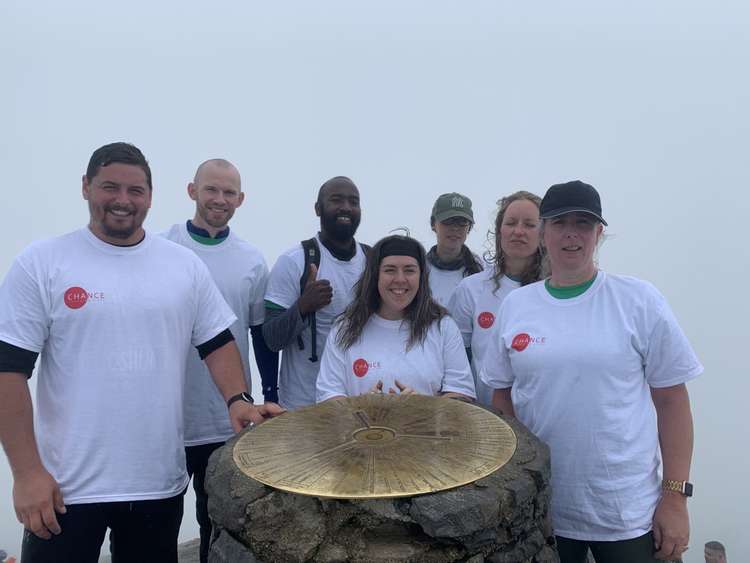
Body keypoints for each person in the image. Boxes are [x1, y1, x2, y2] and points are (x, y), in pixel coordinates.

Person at [0, 143, 282, 563]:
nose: (122, 200)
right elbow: (9, 371)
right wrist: (26, 473)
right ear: (85, 188)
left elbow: (218, 341)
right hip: (64, 489)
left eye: (135, 191)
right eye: (109, 187)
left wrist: (238, 399)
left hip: (157, 487)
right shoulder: (43, 262)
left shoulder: (181, 265)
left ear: (150, 196)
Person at [481, 180, 702, 563]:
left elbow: (671, 400)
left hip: (627, 514)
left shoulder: (638, 300)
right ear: (544, 232)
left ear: (599, 233)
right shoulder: (517, 306)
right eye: (559, 222)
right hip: (544, 511)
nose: (571, 233)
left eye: (583, 223)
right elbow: (502, 397)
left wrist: (675, 496)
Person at [161, 158, 279, 563]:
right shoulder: (163, 248)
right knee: (160, 522)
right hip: (170, 416)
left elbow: (260, 335)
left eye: (229, 192)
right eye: (211, 189)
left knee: (217, 521)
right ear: (191, 191)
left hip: (226, 416)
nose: (219, 199)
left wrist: (271, 390)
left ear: (241, 200)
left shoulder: (251, 260)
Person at [316, 235, 475, 401]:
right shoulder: (345, 328)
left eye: (409, 270)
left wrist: (425, 407)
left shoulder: (443, 326)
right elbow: (329, 395)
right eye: (390, 270)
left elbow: (461, 394)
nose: (400, 279)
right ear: (375, 275)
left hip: (429, 427)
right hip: (359, 427)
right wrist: (360, 406)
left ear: (422, 277)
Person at [263, 176, 367, 409]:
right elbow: (270, 338)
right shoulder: (293, 261)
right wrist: (303, 306)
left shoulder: (373, 263)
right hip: (303, 406)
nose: (346, 208)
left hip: (360, 403)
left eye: (354, 201)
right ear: (318, 208)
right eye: (336, 200)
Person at [448, 190, 543, 406]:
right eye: (510, 223)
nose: (518, 231)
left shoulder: (554, 291)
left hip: (542, 420)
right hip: (486, 420)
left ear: (544, 233)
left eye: (529, 224)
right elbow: (455, 363)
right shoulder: (470, 289)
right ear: (499, 231)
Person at [426, 192, 484, 306]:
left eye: (462, 222)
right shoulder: (418, 270)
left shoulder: (484, 271)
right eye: (448, 221)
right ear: (433, 224)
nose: (455, 228)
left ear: (469, 227)